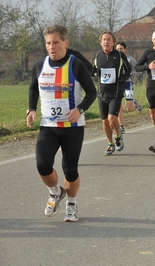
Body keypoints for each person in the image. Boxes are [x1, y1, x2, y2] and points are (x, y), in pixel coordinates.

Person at [26, 25, 97, 222]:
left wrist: (80, 109)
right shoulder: (40, 66)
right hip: (48, 126)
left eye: (56, 42)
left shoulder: (76, 65)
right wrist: (31, 109)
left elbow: (92, 92)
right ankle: (55, 192)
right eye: (48, 43)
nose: (51, 47)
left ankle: (72, 204)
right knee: (42, 164)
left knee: (70, 169)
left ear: (66, 43)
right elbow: (33, 88)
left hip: (72, 128)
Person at [92, 31, 132, 155]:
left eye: (109, 39)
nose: (106, 42)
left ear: (113, 42)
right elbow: (92, 71)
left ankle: (118, 136)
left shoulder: (119, 55)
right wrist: (93, 74)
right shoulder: (97, 56)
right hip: (102, 93)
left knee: (112, 118)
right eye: (104, 39)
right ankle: (110, 144)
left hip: (115, 93)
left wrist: (123, 78)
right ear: (101, 42)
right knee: (104, 121)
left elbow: (128, 69)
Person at [115, 41, 142, 134]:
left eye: (121, 49)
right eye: (117, 49)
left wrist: (131, 74)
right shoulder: (114, 59)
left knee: (129, 109)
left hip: (127, 83)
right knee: (119, 107)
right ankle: (121, 126)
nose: (119, 51)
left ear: (125, 50)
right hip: (117, 85)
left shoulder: (130, 59)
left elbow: (139, 70)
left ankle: (134, 102)